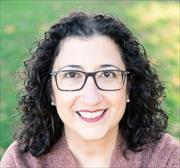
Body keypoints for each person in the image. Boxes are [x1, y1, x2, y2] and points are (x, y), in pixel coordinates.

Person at [1, 11, 179, 168]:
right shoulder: (20, 162)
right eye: (72, 75)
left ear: (128, 87)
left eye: (107, 74)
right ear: (51, 92)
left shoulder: (167, 159)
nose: (91, 98)